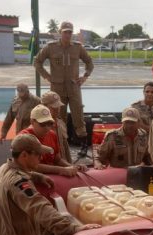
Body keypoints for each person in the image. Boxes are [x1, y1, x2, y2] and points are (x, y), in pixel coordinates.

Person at [34, 21, 94, 157]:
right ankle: (62, 146)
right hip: (57, 89)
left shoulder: (78, 48)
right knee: (59, 119)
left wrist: (85, 76)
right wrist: (47, 76)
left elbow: (89, 62)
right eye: (65, 31)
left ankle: (84, 146)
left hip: (74, 88)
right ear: (60, 32)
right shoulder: (51, 47)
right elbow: (37, 61)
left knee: (78, 115)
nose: (67, 34)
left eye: (70, 32)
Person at [20, 105, 85, 177]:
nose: (47, 128)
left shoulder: (52, 135)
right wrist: (61, 170)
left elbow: (57, 160)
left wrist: (73, 167)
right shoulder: (24, 138)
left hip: (52, 177)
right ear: (32, 122)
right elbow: (32, 166)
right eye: (43, 124)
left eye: (50, 123)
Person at [41, 91, 72, 163]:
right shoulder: (40, 126)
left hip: (63, 165)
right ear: (44, 107)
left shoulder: (60, 123)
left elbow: (65, 147)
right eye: (53, 107)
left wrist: (70, 165)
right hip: (50, 168)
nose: (57, 109)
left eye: (58, 106)